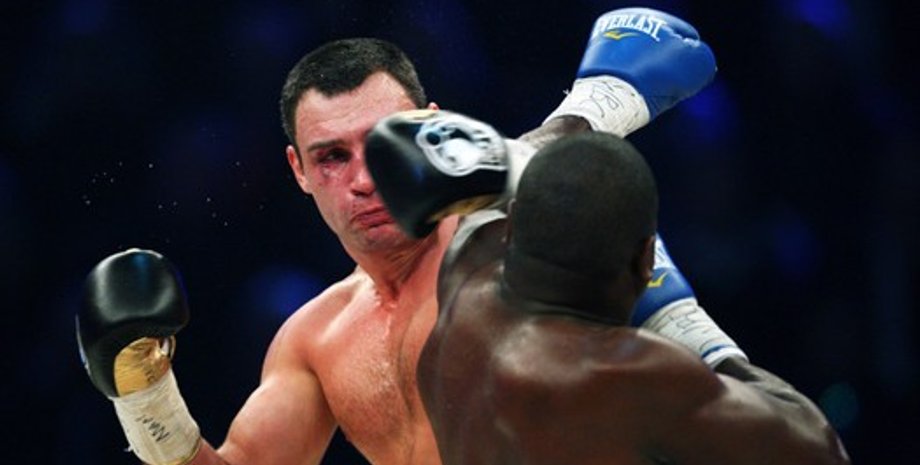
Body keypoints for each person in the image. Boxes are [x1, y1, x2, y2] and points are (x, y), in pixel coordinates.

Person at [76, 8, 748, 465]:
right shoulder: (315, 339)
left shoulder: (521, 248)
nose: (364, 180)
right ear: (298, 171)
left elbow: (567, 177)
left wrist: (603, 101)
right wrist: (144, 395)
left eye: (383, 143)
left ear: (433, 129)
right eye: (332, 157)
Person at [364, 116, 851, 464]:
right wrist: (682, 321)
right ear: (645, 261)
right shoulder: (630, 376)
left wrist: (597, 104)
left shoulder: (464, 280)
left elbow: (520, 166)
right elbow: (818, 446)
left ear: (513, 226)